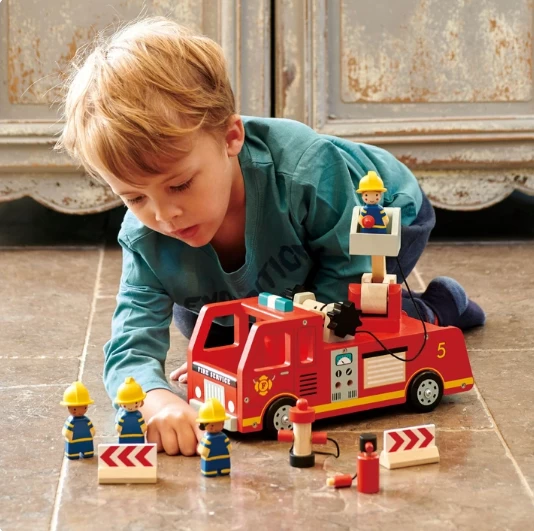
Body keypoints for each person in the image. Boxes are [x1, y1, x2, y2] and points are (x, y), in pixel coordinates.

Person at [56, 17, 485, 456]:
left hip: (374, 217)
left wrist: (258, 353)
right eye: (134, 197)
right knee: (198, 321)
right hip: (288, 271)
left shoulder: (306, 170)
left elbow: (349, 268)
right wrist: (153, 397)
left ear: (231, 137)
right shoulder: (145, 237)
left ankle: (434, 309)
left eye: (180, 185)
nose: (164, 215)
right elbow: (131, 342)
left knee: (359, 315)